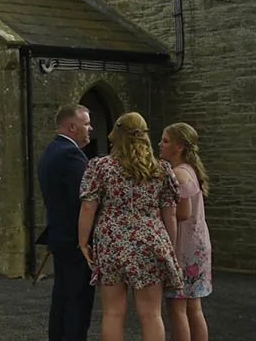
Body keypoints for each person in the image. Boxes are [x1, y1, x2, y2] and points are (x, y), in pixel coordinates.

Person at [77, 112, 182, 341]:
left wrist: (83, 242)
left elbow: (88, 208)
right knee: (152, 314)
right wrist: (169, 247)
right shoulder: (161, 169)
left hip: (112, 241)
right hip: (151, 240)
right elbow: (170, 213)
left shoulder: (101, 167)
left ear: (117, 134)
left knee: (113, 313)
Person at [37, 104, 95, 341]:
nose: (90, 128)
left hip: (60, 236)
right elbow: (85, 197)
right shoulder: (70, 155)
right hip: (74, 240)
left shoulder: (52, 151)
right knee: (76, 303)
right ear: (72, 126)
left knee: (62, 299)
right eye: (86, 124)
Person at [159, 123, 212, 341]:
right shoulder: (191, 170)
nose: (160, 145)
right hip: (197, 244)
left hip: (183, 246)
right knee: (194, 307)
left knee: (177, 309)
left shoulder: (177, 174)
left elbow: (182, 212)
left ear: (179, 147)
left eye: (166, 141)